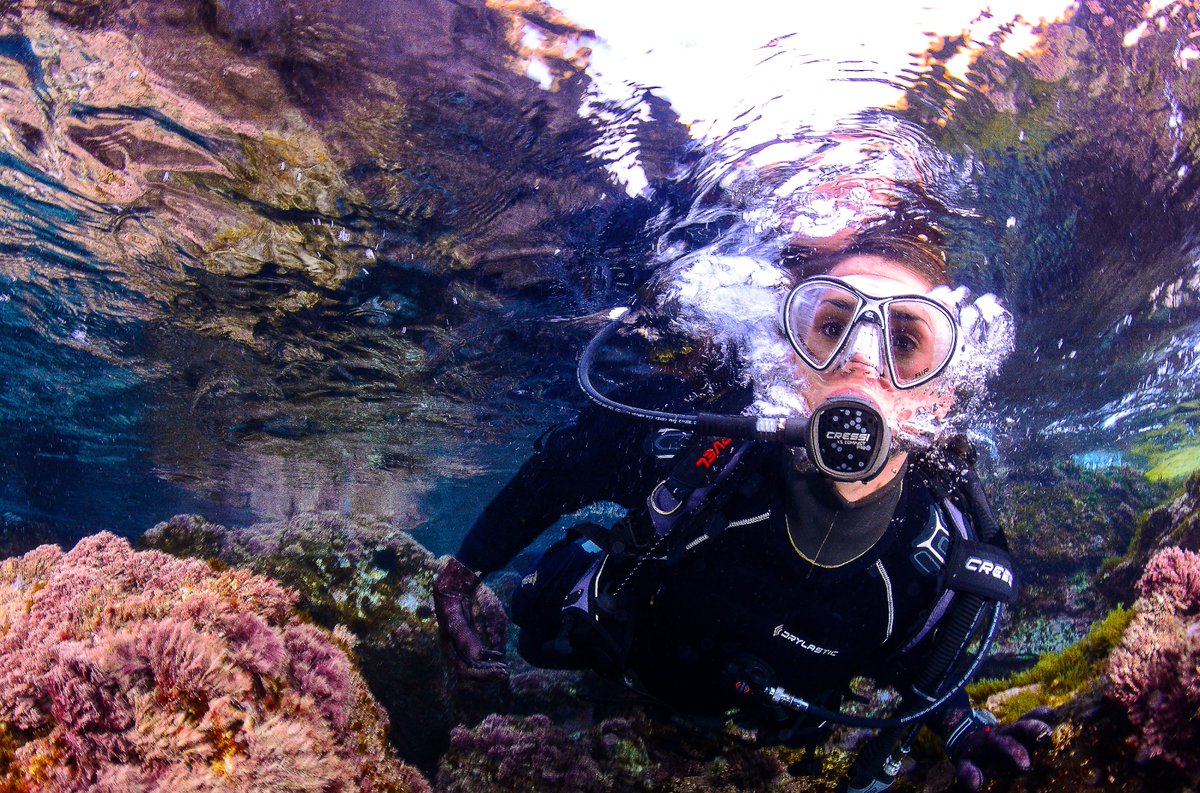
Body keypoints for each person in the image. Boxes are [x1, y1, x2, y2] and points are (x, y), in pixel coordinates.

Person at [434, 231, 1050, 792]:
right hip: (626, 668)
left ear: (940, 393)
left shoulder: (936, 551)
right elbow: (562, 469)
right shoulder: (702, 453)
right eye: (834, 328)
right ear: (787, 354)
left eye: (906, 341)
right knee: (538, 618)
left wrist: (961, 726)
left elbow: (916, 656)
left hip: (767, 731)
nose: (861, 361)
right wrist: (462, 576)